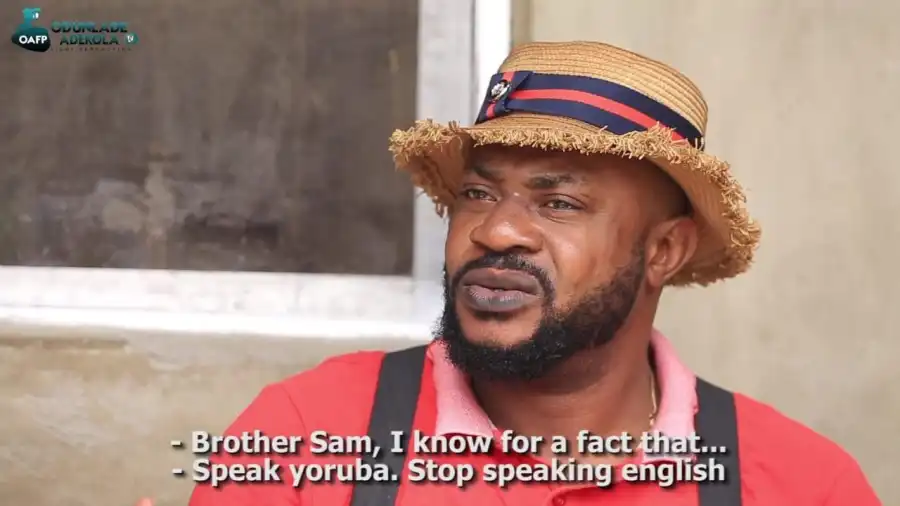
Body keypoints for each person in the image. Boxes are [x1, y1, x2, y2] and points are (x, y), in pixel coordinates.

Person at [140, 41, 880, 505]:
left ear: (664, 251)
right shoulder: (308, 435)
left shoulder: (800, 484)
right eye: (478, 193)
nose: (495, 232)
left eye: (559, 203)